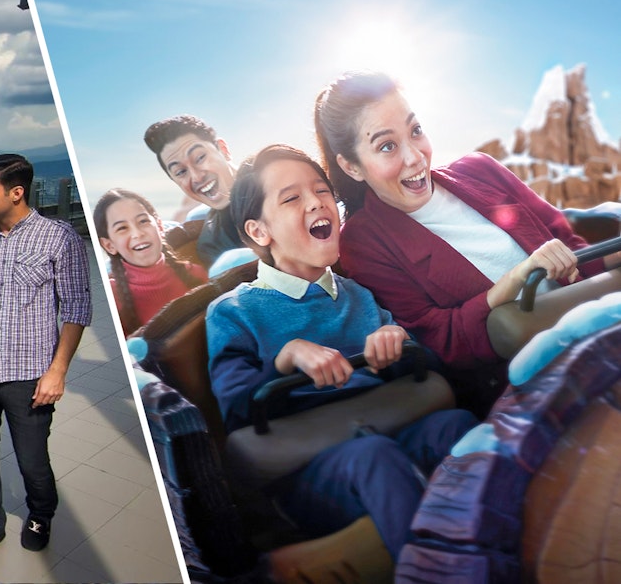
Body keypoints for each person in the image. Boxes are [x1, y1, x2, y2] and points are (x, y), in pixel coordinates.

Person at [206, 144, 477, 561]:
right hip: (310, 467)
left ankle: (507, 542)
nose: (316, 202)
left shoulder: (359, 295)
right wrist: (285, 359)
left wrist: (398, 346)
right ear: (260, 231)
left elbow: (426, 364)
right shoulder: (234, 311)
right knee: (373, 457)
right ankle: (438, 571)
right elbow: (237, 407)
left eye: (322, 191)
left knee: (456, 425)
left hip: (387, 426)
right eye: (292, 198)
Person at [314, 70, 621, 416]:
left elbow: (567, 241)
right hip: (525, 380)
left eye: (415, 131)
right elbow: (442, 339)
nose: (415, 157)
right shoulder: (362, 241)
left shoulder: (480, 169)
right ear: (352, 166)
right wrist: (518, 277)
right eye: (387, 146)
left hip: (596, 323)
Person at [0, 153, 92, 562]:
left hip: (30, 374)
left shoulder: (59, 238)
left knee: (31, 458)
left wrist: (57, 372)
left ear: (17, 192)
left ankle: (41, 513)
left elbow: (76, 308)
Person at [93, 188, 207, 335]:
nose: (137, 234)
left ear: (160, 227)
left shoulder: (197, 273)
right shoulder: (111, 296)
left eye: (143, 221)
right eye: (122, 228)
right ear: (109, 245)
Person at [144, 114, 246, 267]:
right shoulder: (211, 244)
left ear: (223, 150)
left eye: (200, 158)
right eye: (180, 172)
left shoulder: (280, 180)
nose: (197, 177)